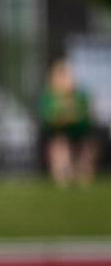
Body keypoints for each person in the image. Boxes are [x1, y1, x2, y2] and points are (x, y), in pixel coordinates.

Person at [38, 59, 98, 188]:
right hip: (59, 137)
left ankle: (81, 174)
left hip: (81, 135)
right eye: (60, 76)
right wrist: (66, 114)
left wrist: (67, 115)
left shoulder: (81, 96)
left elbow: (84, 118)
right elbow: (51, 120)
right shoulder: (49, 97)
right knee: (60, 147)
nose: (65, 80)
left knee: (87, 151)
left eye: (67, 76)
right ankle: (63, 175)